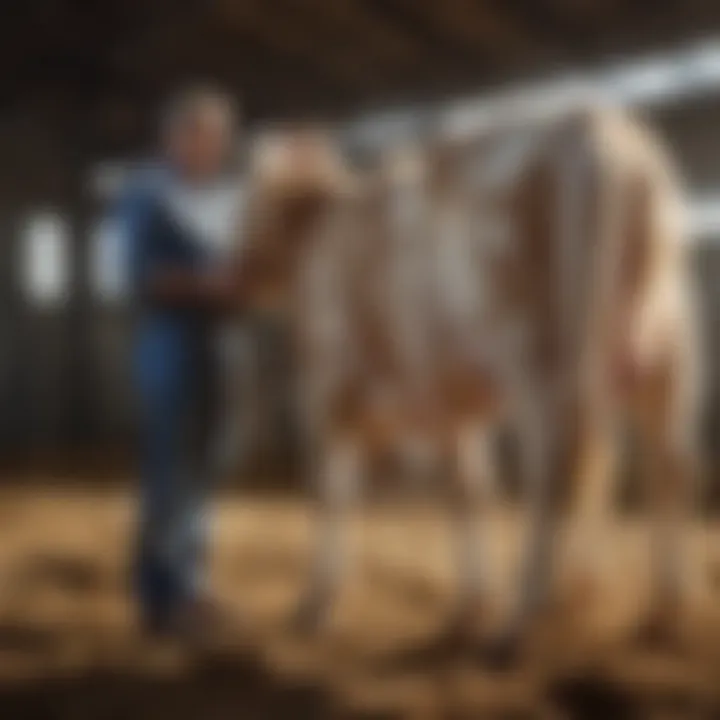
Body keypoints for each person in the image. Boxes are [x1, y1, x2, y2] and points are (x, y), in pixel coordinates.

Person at [114, 86, 245, 640]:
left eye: (221, 137)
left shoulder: (222, 198)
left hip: (216, 342)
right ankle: (159, 599)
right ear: (175, 137)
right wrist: (213, 283)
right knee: (171, 473)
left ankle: (189, 587)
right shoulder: (147, 194)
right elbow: (141, 277)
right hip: (170, 341)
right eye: (204, 134)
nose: (215, 146)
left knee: (202, 474)